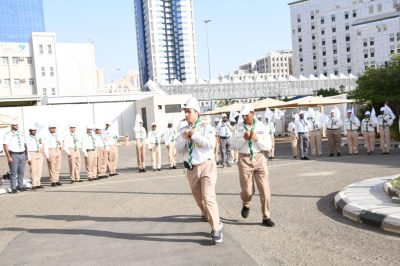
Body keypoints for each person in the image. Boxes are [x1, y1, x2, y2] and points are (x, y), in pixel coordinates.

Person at [176, 97, 223, 244]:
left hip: (207, 166)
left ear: (197, 112)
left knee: (209, 197)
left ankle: (216, 229)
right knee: (200, 201)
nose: (186, 114)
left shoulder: (206, 127)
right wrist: (185, 137)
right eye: (185, 112)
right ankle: (216, 222)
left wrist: (194, 135)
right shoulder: (183, 129)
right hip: (192, 169)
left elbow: (210, 145)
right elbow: (178, 148)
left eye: (188, 111)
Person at [232, 104, 275, 227]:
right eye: (243, 115)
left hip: (259, 158)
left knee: (265, 190)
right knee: (247, 190)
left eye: (247, 115)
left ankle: (266, 216)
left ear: (253, 113)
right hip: (244, 159)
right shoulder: (238, 128)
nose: (244, 117)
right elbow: (234, 146)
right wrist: (243, 139)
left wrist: (257, 139)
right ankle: (246, 203)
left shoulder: (262, 127)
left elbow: (268, 146)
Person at [2, 120, 27, 193]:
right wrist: (8, 156)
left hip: (22, 153)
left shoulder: (21, 134)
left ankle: (20, 186)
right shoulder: (7, 134)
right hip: (13, 154)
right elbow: (5, 145)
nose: (16, 126)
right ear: (11, 126)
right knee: (13, 172)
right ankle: (13, 187)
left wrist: (25, 154)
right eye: (15, 125)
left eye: (17, 125)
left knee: (21, 172)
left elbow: (24, 144)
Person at [26, 125, 44, 189]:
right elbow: (27, 148)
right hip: (32, 153)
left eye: (35, 130)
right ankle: (33, 184)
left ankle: (38, 183)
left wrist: (41, 153)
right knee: (33, 169)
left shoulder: (38, 137)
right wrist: (28, 158)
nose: (34, 131)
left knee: (39, 169)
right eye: (32, 130)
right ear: (29, 131)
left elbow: (41, 144)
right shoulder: (27, 138)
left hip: (38, 152)